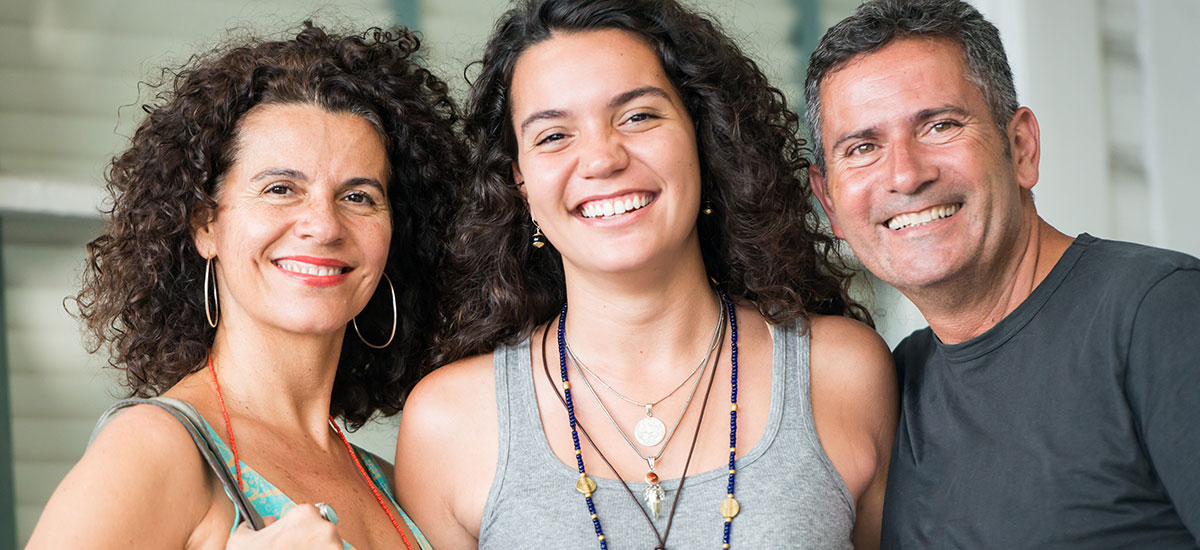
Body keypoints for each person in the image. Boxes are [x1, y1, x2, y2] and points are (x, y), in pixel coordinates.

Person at [394, 0, 898, 548]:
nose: (602, 159)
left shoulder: (846, 374)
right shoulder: (447, 424)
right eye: (553, 136)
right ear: (520, 183)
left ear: (704, 138)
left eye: (637, 116)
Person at [27, 22, 464, 549]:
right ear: (205, 224)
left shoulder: (395, 485)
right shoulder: (155, 448)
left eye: (358, 197)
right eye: (281, 188)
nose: (324, 226)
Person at [805, 0, 1200, 547]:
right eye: (863, 147)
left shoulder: (1160, 315)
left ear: (1021, 148)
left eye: (940, 125)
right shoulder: (897, 385)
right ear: (829, 204)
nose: (905, 174)